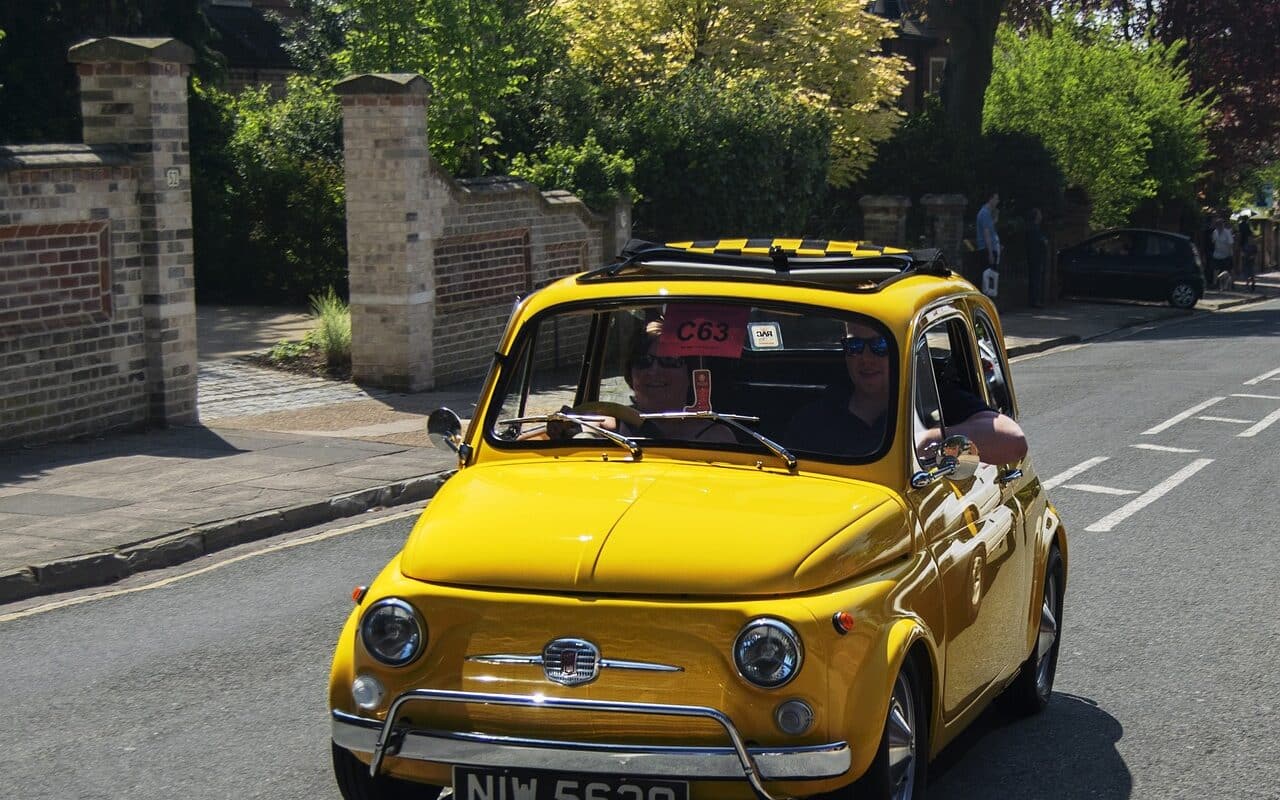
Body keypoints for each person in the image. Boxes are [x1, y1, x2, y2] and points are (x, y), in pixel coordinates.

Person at [784, 321, 1028, 464]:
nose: (866, 358)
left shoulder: (933, 401)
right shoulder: (816, 417)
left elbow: (1013, 442)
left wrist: (936, 440)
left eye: (881, 346)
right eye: (855, 346)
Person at [1025, 208, 1048, 308]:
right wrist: (1044, 242)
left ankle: (1034, 299)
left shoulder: (1034, 228)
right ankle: (1035, 300)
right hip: (1036, 256)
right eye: (1039, 214)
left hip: (1033, 256)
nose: (1041, 216)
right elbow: (1040, 242)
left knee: (1035, 278)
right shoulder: (1034, 229)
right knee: (1035, 278)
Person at [976, 191, 1001, 274]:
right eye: (996, 199)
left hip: (990, 249)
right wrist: (990, 253)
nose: (998, 201)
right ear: (990, 199)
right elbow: (986, 234)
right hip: (986, 250)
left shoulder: (988, 214)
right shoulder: (985, 213)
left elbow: (991, 231)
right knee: (989, 278)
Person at [1210, 217, 1234, 286]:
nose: (1220, 226)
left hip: (1227, 254)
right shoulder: (1215, 232)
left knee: (1228, 270)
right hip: (1217, 254)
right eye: (1218, 224)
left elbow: (1230, 244)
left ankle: (1231, 283)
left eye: (1221, 224)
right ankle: (1214, 283)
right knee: (1215, 270)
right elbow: (1213, 242)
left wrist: (1230, 254)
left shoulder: (1227, 232)